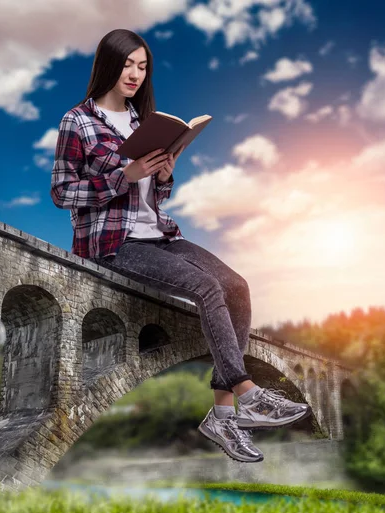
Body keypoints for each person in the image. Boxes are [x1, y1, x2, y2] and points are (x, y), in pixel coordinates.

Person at [50, 28, 311, 463]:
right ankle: (247, 393)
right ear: (108, 65)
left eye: (142, 65)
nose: (134, 74)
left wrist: (164, 174)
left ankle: (222, 416)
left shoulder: (140, 122)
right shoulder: (76, 121)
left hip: (160, 234)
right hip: (112, 243)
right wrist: (124, 176)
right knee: (206, 288)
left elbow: (155, 198)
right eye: (127, 64)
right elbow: (61, 192)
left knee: (235, 286)